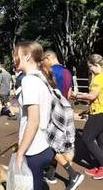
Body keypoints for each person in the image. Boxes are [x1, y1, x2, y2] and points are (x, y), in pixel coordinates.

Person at [13, 41, 55, 190]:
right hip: (46, 145)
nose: (13, 58)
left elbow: (33, 121)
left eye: (15, 55)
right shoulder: (42, 77)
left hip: (34, 149)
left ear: (27, 56)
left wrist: (20, 153)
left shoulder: (29, 81)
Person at [42, 50, 84, 189]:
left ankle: (71, 175)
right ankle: (52, 174)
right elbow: (70, 94)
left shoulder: (49, 71)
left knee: (50, 142)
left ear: (48, 58)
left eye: (44, 60)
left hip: (54, 110)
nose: (43, 63)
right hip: (66, 108)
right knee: (65, 144)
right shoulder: (67, 71)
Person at [73, 54, 103, 180]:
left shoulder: (99, 78)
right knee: (100, 140)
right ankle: (99, 166)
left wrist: (76, 95)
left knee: (86, 138)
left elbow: (92, 96)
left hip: (99, 113)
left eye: (91, 67)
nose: (90, 69)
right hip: (97, 111)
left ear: (96, 65)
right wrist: (87, 111)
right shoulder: (98, 77)